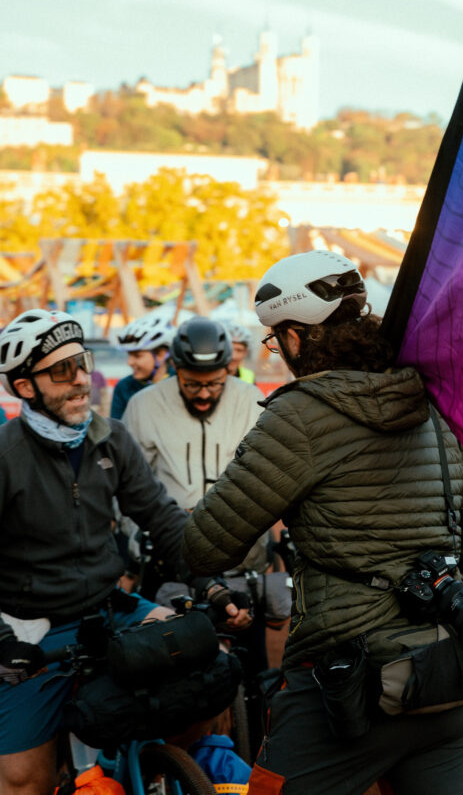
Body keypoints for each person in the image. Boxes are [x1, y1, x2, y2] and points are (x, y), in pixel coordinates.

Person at [182, 250, 463, 795]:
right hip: (443, 679)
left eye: (274, 339)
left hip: (346, 684)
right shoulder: (426, 402)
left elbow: (205, 548)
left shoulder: (299, 415)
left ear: (293, 335)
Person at [0, 309, 221, 795]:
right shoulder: (6, 455)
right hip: (31, 632)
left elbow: (163, 520)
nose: (82, 379)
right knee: (22, 781)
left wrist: (212, 582)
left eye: (83, 363)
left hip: (111, 611)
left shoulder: (111, 437)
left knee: (209, 674)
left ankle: (162, 772)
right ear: (24, 386)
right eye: (62, 371)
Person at [122, 317, 268, 671]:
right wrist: (135, 541)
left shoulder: (252, 400)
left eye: (215, 384)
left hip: (241, 553)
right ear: (175, 368)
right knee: (174, 667)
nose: (204, 394)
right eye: (192, 385)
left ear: (229, 369)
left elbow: (267, 477)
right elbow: (127, 492)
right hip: (170, 557)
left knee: (253, 663)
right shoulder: (143, 406)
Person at [110, 312, 175, 419]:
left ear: (160, 355)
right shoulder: (124, 388)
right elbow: (118, 430)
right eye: (129, 355)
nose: (129, 362)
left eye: (137, 356)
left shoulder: (180, 383)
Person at [220, 320, 256, 385]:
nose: (234, 356)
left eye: (239, 350)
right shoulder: (210, 374)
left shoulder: (249, 376)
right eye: (230, 349)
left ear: (245, 353)